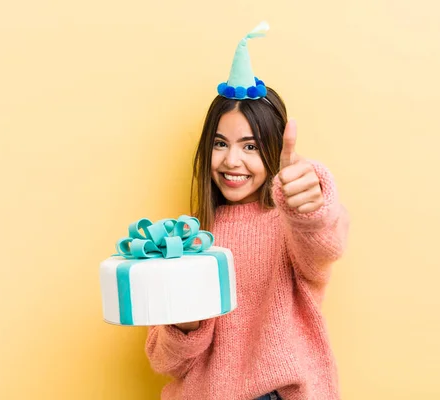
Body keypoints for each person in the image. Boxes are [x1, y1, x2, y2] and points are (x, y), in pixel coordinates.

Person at [145, 22, 349, 400]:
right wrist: (185, 323)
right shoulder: (189, 238)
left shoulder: (290, 224)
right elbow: (164, 361)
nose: (232, 160)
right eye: (221, 143)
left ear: (272, 150)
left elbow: (325, 244)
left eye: (251, 146)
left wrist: (310, 205)